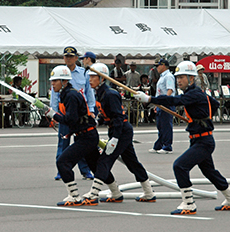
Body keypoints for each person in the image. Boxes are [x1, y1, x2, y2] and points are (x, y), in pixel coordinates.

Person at [135, 61, 230, 215]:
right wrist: (201, 117)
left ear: (191, 79)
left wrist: (151, 99)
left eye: (182, 77)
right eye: (177, 77)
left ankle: (188, 203)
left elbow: (174, 101)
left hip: (203, 141)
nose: (179, 80)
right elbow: (214, 104)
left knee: (180, 166)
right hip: (198, 139)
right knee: (209, 171)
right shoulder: (196, 94)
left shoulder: (194, 94)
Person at [81, 63, 155, 206]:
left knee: (105, 160)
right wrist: (98, 121)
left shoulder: (110, 94)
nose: (90, 80)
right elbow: (106, 114)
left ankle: (95, 193)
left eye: (93, 77)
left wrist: (115, 138)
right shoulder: (100, 93)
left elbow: (118, 118)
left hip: (121, 131)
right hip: (117, 130)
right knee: (132, 162)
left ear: (102, 78)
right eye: (89, 77)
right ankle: (147, 193)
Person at [44, 65, 99, 206]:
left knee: (63, 162)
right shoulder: (67, 94)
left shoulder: (70, 96)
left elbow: (71, 120)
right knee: (97, 167)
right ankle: (115, 192)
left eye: (55, 81)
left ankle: (74, 196)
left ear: (64, 81)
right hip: (84, 135)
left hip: (87, 136)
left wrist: (54, 116)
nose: (52, 84)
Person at [50, 46, 95, 181]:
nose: (68, 59)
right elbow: (54, 94)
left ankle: (85, 171)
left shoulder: (83, 73)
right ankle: (61, 170)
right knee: (63, 142)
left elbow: (89, 92)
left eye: (71, 56)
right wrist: (54, 113)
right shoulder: (59, 72)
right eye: (66, 56)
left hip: (81, 113)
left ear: (76, 58)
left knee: (81, 143)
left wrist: (91, 110)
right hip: (65, 113)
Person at [150, 59, 175, 154]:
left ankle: (167, 146)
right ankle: (159, 145)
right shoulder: (162, 77)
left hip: (166, 104)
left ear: (163, 66)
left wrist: (165, 101)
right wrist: (157, 104)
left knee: (166, 126)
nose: (157, 68)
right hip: (161, 104)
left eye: (158, 66)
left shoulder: (168, 76)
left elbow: (170, 90)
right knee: (160, 126)